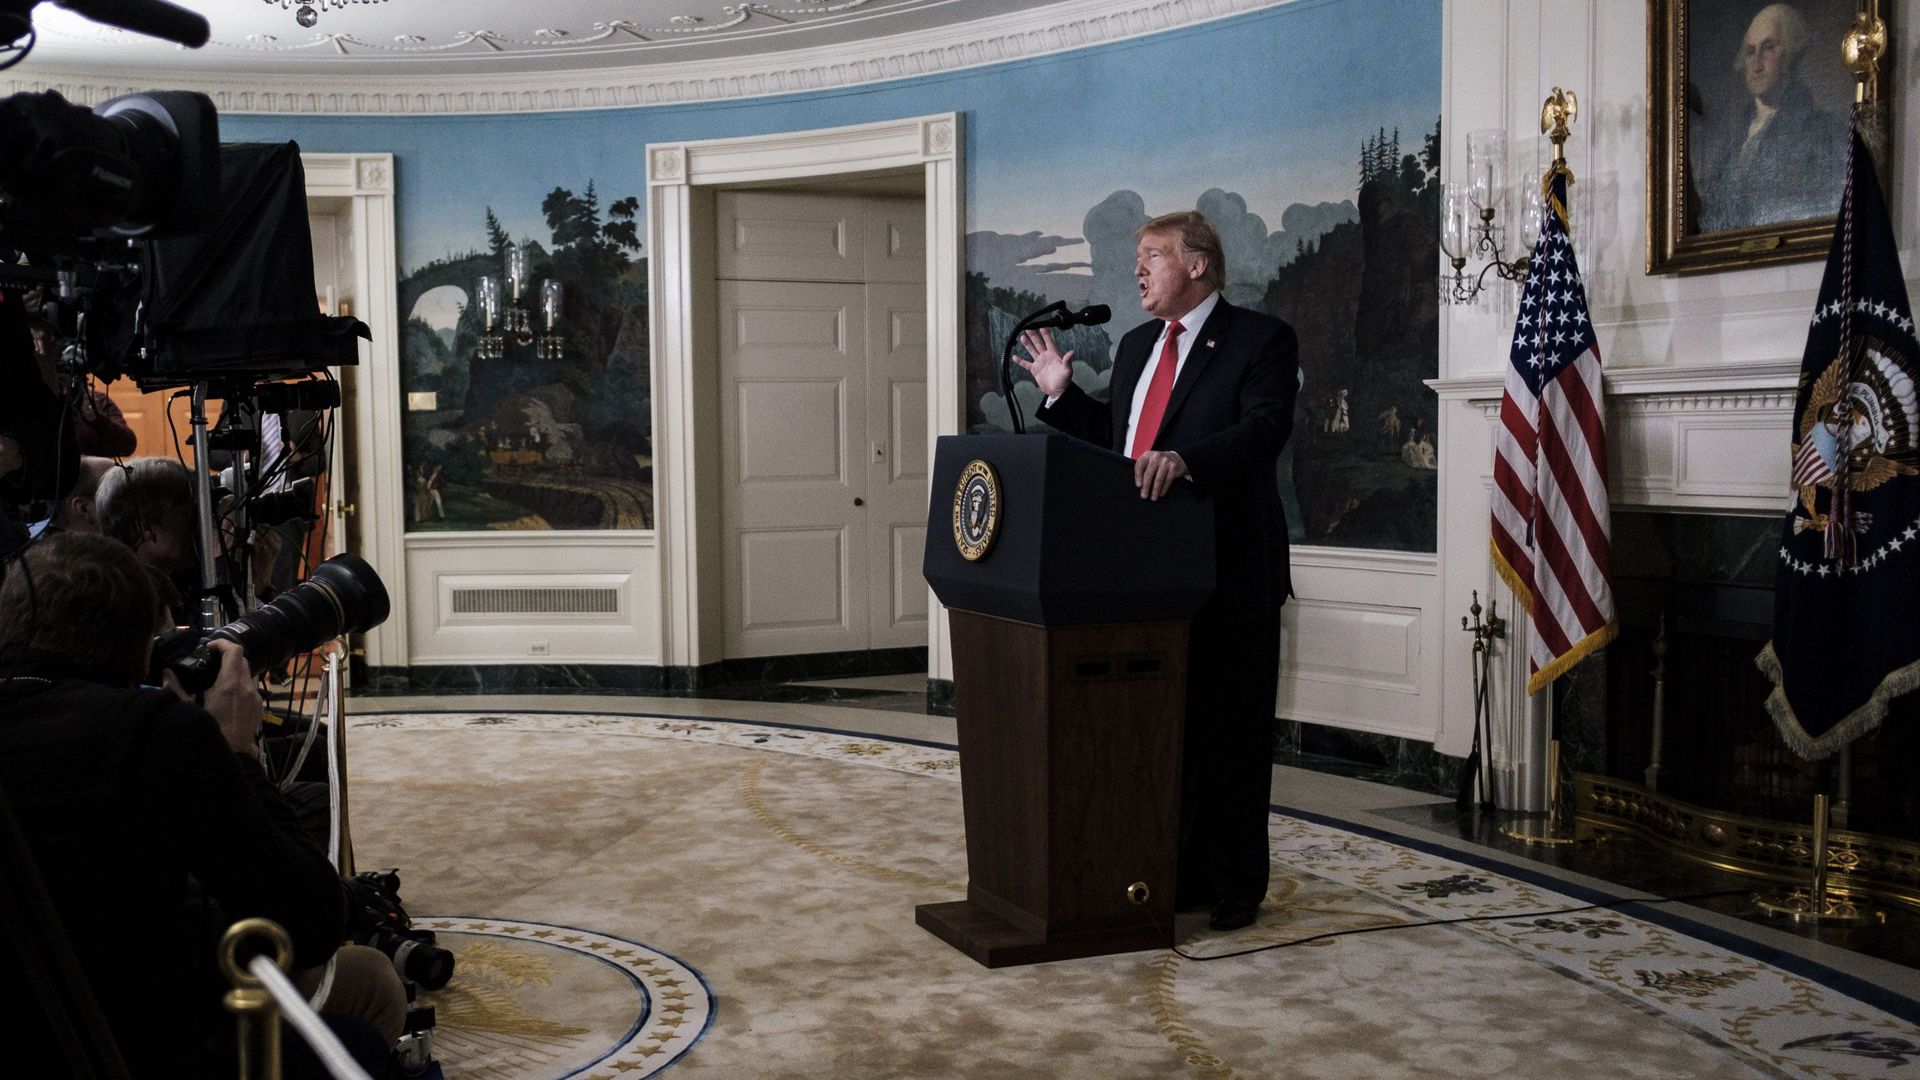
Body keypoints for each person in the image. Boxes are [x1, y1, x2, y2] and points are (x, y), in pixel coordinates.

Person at [0, 533, 403, 1075]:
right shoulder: (152, 735)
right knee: (365, 1011)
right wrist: (236, 752)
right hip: (127, 1044)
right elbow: (313, 923)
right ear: (141, 650)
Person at [1016, 210, 1297, 932]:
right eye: (1137, 258)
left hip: (1230, 573)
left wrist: (1189, 462)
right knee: (1160, 735)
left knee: (1229, 735)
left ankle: (1235, 886)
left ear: (1198, 264)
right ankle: (1172, 870)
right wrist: (1058, 394)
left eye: (1152, 256)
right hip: (1142, 575)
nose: (1137, 269)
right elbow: (1124, 446)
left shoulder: (1260, 338)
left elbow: (1265, 428)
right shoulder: (1139, 345)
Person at [1697, 3, 1844, 232]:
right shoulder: (1734, 137)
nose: (1756, 63)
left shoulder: (1822, 131)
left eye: (1768, 48)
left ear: (1790, 54)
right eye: (1750, 51)